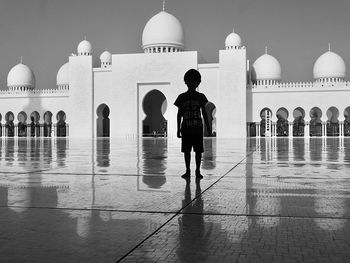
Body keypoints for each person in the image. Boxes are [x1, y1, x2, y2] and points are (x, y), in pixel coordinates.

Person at [174, 69, 211, 179]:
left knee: (198, 151)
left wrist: (208, 128)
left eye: (194, 81)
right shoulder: (182, 97)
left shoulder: (201, 97)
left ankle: (197, 171)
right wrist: (178, 129)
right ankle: (188, 170)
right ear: (186, 82)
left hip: (197, 129)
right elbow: (179, 114)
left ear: (198, 83)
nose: (192, 83)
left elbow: (204, 113)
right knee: (187, 151)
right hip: (186, 128)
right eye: (190, 81)